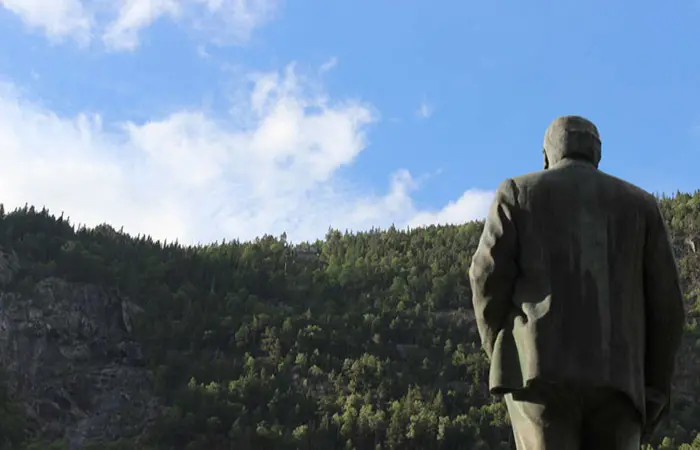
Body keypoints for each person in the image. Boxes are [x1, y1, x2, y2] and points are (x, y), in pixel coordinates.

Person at [468, 115, 686, 449]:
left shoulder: (516, 193)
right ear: (596, 155)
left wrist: (504, 349)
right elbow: (667, 307)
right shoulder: (641, 207)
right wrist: (654, 388)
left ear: (546, 155)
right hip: (621, 384)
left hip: (538, 373)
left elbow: (484, 276)